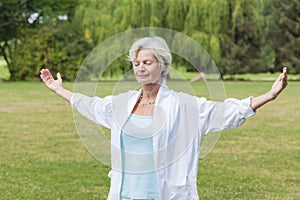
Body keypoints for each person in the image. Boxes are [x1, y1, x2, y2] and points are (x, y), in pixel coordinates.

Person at [40, 36, 288, 200]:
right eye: (137, 63)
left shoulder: (183, 105)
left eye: (147, 62)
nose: (140, 67)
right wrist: (58, 89)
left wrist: (269, 95)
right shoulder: (123, 102)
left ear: (164, 66)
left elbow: (226, 112)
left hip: (165, 193)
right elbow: (91, 105)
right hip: (123, 193)